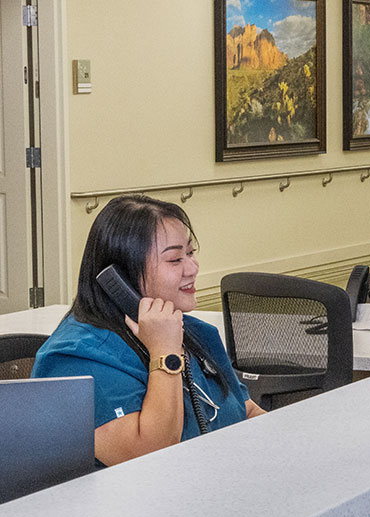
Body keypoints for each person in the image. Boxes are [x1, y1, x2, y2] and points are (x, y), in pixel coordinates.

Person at [33, 195, 265, 466]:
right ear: (120, 278)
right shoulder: (77, 359)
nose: (193, 268)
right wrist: (165, 352)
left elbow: (245, 411)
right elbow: (151, 460)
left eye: (190, 253)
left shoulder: (193, 332)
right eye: (175, 259)